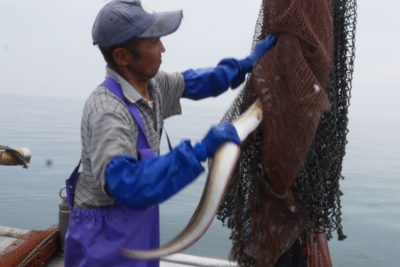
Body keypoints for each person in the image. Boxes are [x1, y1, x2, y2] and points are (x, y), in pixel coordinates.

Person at [64, 0, 276, 266]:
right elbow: (127, 184)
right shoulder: (107, 111)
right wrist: (200, 150)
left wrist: (245, 64)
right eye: (153, 42)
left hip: (138, 226)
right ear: (123, 57)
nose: (163, 48)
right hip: (103, 237)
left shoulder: (153, 85)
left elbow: (198, 81)